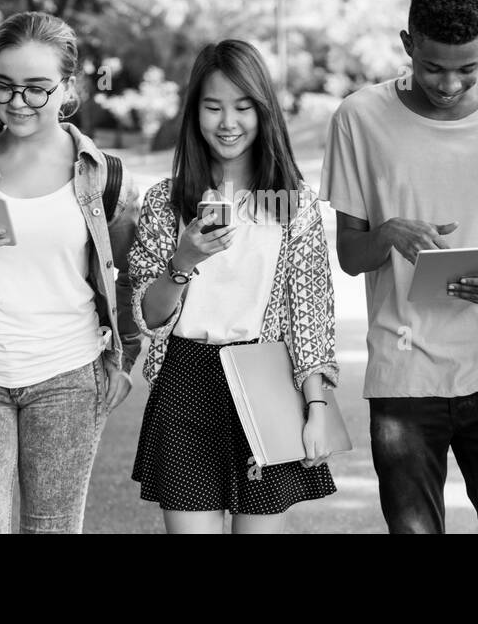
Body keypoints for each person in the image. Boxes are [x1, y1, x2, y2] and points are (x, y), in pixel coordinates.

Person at [320, 0, 478, 534]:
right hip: (404, 375)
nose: (450, 84)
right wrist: (389, 234)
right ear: (408, 44)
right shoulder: (359, 118)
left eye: (467, 68)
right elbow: (352, 255)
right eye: (433, 67)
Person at [0, 11, 140, 534]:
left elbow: (127, 277)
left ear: (67, 89)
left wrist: (124, 358)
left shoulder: (103, 176)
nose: (17, 102)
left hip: (68, 379)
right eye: (3, 86)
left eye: (36, 89)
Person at [129, 39, 338, 534]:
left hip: (264, 381)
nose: (229, 122)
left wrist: (317, 409)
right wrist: (183, 261)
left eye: (244, 107)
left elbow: (309, 317)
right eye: (213, 107)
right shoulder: (167, 200)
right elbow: (148, 315)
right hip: (186, 382)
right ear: (194, 112)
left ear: (264, 112)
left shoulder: (292, 205)